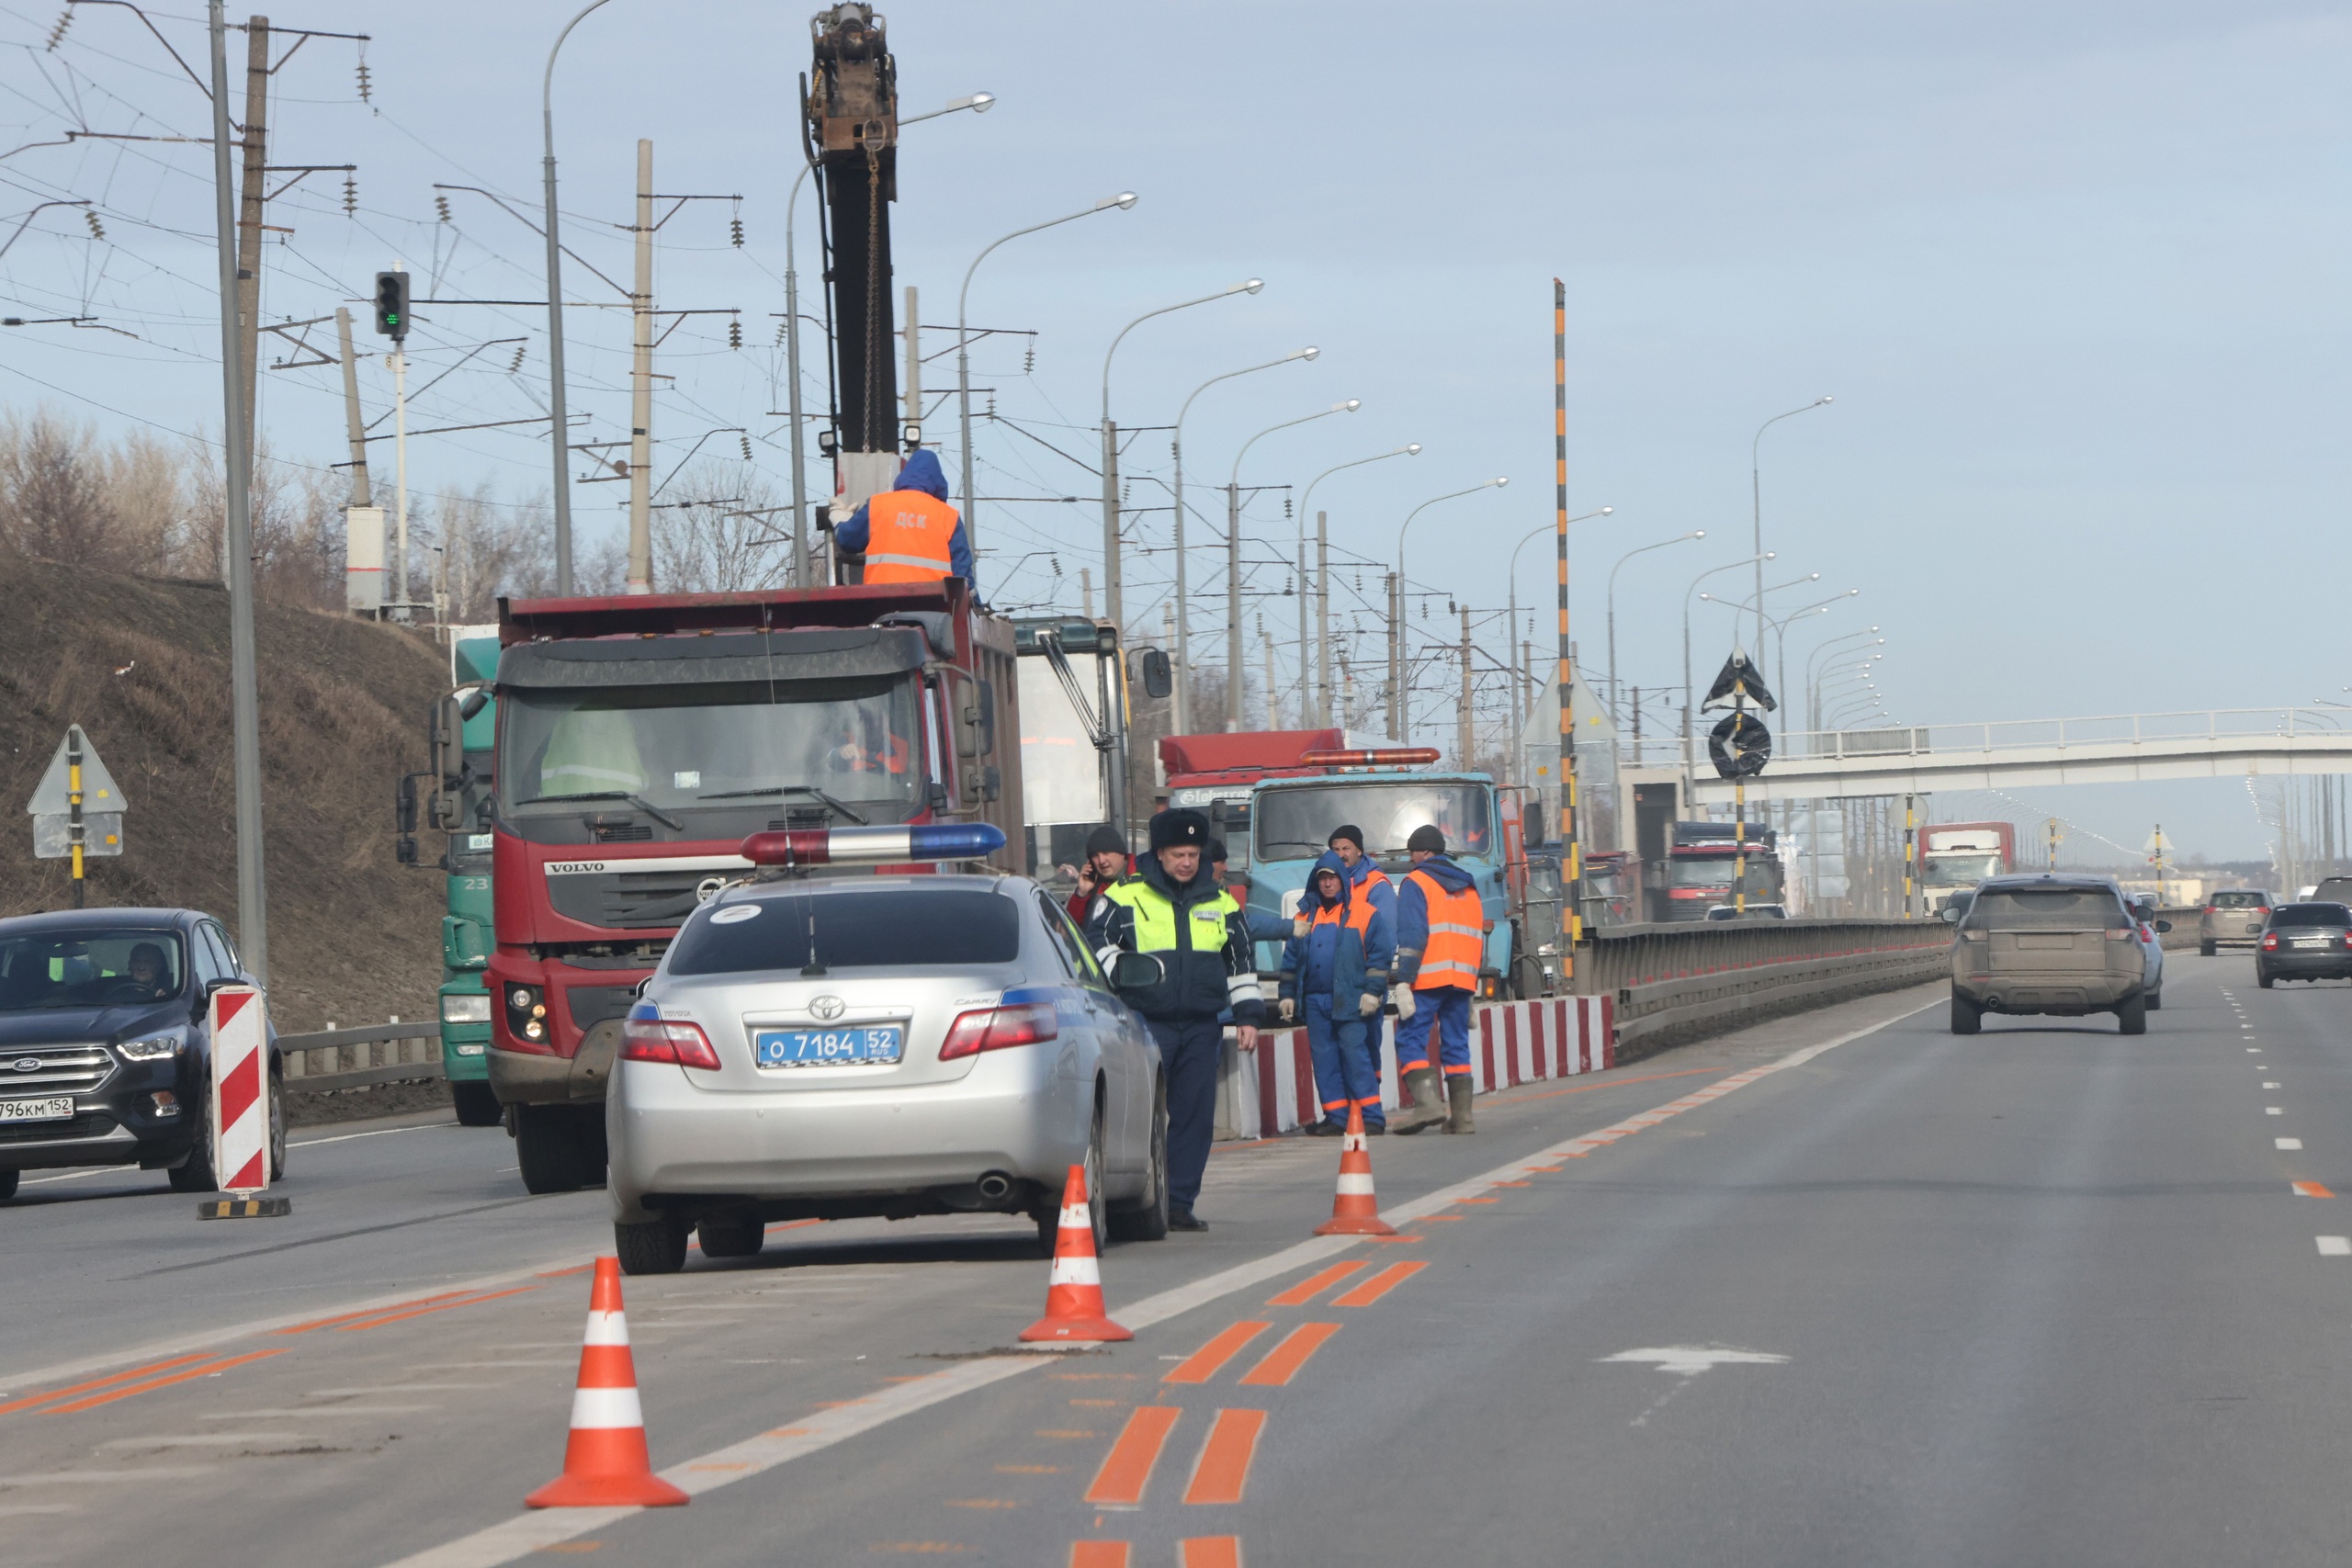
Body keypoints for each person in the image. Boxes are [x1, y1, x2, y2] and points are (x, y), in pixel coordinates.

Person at [1088, 808, 1264, 1231]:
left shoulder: (1221, 902)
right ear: (1160, 854)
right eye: (1178, 854)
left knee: (1194, 1117)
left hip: (1202, 1026)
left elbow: (1241, 963)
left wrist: (1248, 1016)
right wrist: (1125, 975)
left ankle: (1178, 1203)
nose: (1186, 863)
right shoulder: (1122, 897)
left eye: (1192, 854)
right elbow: (1097, 948)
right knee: (1139, 1114)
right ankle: (1130, 1202)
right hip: (1143, 1024)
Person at [1277, 853, 1394, 1135]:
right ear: (1316, 882)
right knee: (1325, 1061)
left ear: (1342, 879)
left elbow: (1380, 958)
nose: (1327, 884)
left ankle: (1372, 1116)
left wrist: (1372, 993)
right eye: (1322, 879)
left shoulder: (1365, 914)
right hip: (1316, 1002)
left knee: (1356, 1058)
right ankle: (1337, 1117)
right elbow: (1291, 961)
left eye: (1332, 878)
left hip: (1351, 999)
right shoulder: (1304, 917)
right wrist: (1287, 995)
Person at [1390, 824, 1484, 1134]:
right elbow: (1476, 936)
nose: (1411, 859)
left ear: (1423, 852)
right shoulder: (1469, 886)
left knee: (1409, 1037)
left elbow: (1413, 934)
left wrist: (1404, 979)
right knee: (1456, 1042)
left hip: (1428, 977)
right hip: (1462, 979)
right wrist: (1472, 983)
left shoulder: (1416, 882)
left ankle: (1428, 1105)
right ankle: (1463, 1118)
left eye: (1412, 853)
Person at [832, 447, 977, 589]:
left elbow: (848, 540)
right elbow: (963, 577)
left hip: (881, 604)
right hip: (935, 607)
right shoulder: (949, 517)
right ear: (938, 481)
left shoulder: (878, 505)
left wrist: (840, 519)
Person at [1067, 825, 1132, 926]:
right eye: (1095, 856)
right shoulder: (1095, 887)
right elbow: (1069, 928)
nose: (1101, 861)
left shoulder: (1143, 876)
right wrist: (1082, 893)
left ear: (1121, 853)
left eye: (1106, 852)